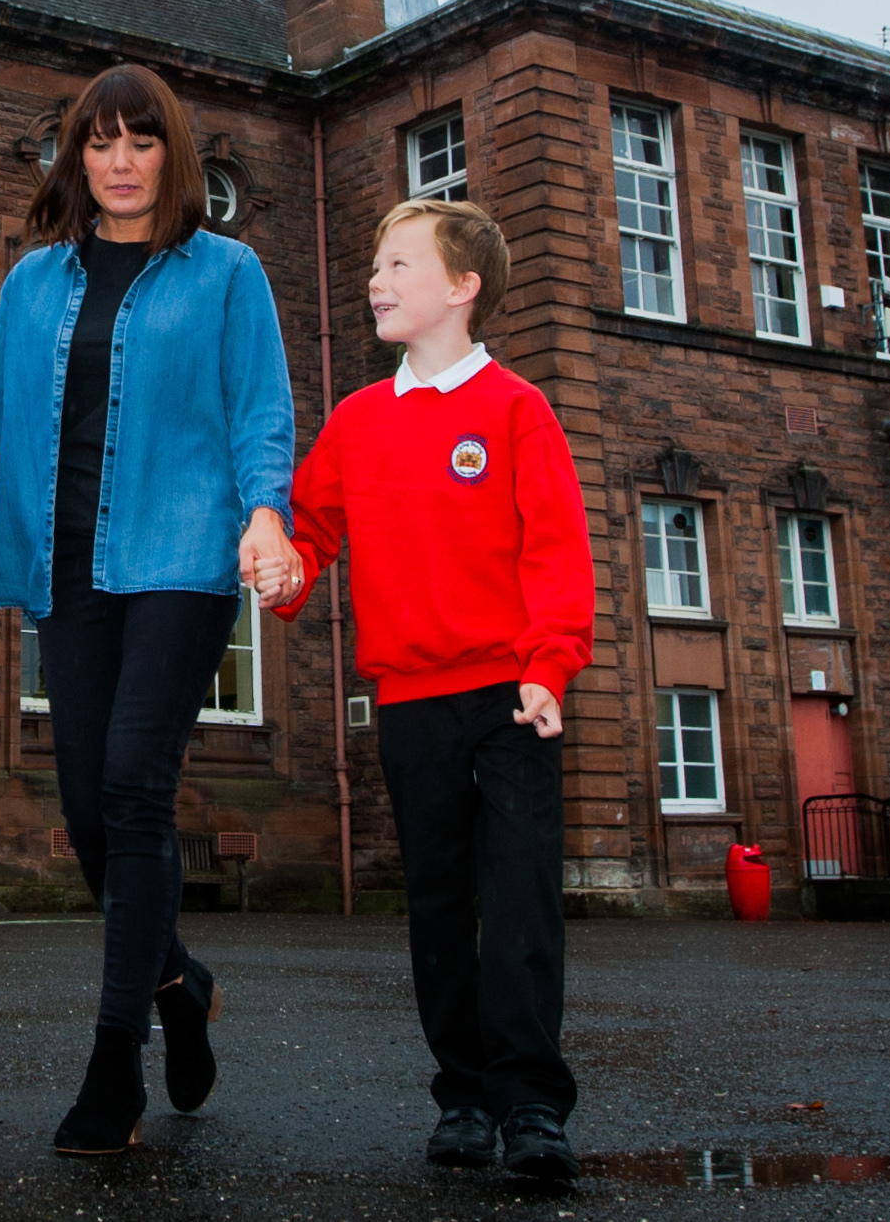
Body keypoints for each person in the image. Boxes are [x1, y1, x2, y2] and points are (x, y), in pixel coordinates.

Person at [0, 64, 298, 1156]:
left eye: (140, 141)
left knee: (134, 783)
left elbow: (260, 409)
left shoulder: (227, 272)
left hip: (180, 556)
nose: (119, 161)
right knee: (88, 807)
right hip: (66, 566)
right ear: (75, 156)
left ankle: (111, 1058)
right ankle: (178, 978)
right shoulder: (34, 283)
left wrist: (265, 512)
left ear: (170, 154)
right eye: (98, 142)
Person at [271, 198, 594, 1184]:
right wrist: (281, 568)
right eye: (375, 261)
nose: (377, 277)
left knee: (522, 900)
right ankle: (461, 1091)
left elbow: (556, 549)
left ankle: (532, 1102)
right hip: (409, 703)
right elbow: (308, 528)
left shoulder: (514, 409)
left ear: (462, 287)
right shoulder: (359, 419)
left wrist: (549, 666)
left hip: (508, 697)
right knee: (438, 906)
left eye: (399, 262)